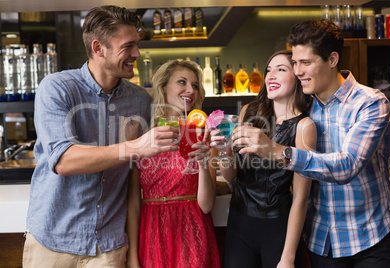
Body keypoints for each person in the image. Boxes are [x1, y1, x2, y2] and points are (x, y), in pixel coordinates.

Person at [22, 5, 179, 267]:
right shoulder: (58, 87)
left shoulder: (140, 99)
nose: (137, 54)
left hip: (109, 247)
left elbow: (136, 178)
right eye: (128, 46)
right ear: (98, 48)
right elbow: (63, 161)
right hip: (54, 241)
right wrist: (135, 146)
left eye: (137, 45)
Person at [236, 19, 390, 267]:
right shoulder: (305, 109)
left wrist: (277, 151)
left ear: (332, 60)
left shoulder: (370, 103)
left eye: (306, 63)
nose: (298, 71)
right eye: (295, 63)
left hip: (368, 238)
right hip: (322, 240)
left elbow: (348, 166)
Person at [210, 50, 317, 267]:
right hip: (239, 222)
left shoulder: (305, 126)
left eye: (281, 69)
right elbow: (232, 177)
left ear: (297, 76)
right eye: (269, 70)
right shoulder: (249, 112)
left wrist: (287, 258)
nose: (270, 76)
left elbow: (300, 199)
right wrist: (224, 149)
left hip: (277, 229)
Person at [126, 59, 220, 267]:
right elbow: (133, 204)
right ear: (163, 87)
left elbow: (206, 206)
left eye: (195, 86)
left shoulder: (203, 136)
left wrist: (204, 164)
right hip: (152, 234)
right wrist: (132, 257)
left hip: (192, 233)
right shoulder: (142, 137)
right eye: (182, 82)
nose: (190, 90)